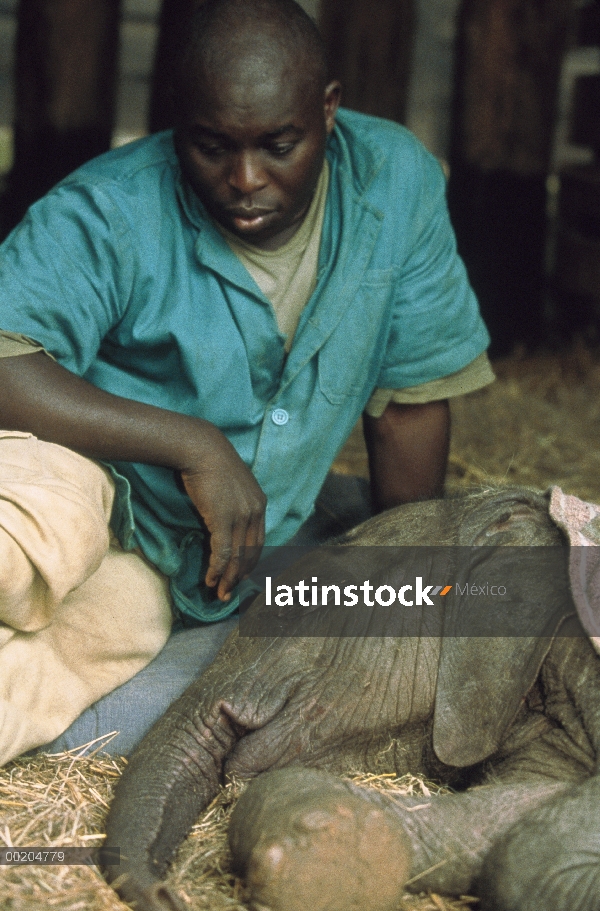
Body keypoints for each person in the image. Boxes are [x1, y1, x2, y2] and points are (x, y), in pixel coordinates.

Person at [0, 0, 493, 763]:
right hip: (66, 461)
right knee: (31, 538)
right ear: (176, 126)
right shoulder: (110, 208)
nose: (245, 178)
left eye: (279, 144)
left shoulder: (396, 186)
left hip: (171, 565)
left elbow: (409, 407)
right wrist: (191, 443)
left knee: (93, 647)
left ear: (328, 110)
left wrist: (408, 584)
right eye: (211, 147)